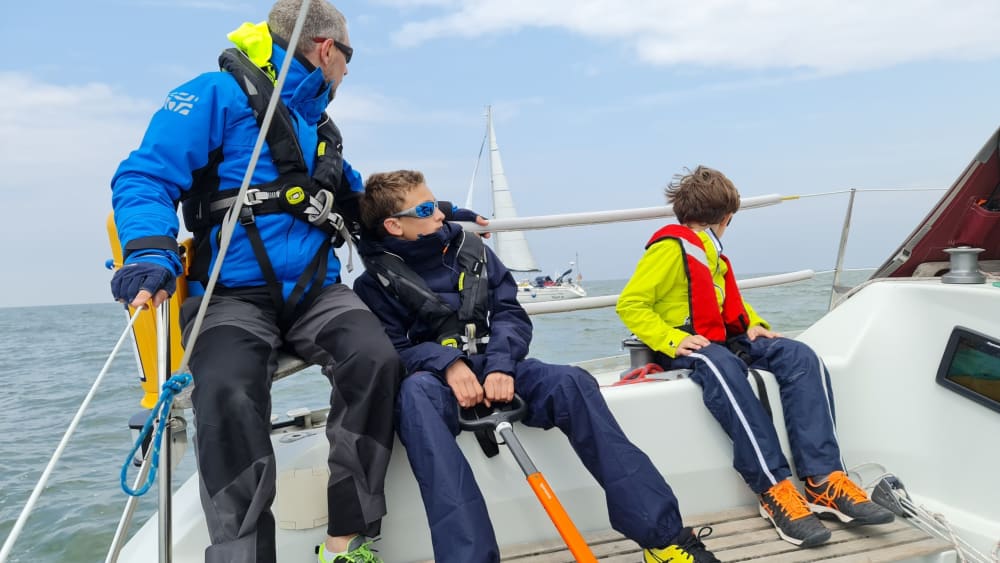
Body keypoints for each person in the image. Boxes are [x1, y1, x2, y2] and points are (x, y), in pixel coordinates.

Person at [110, 2, 402, 561]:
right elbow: (144, 174)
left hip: (315, 292)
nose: (347, 71)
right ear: (326, 50)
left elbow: (360, 195)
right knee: (226, 391)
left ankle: (348, 538)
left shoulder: (318, 126)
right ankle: (242, 554)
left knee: (375, 359)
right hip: (229, 298)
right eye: (348, 58)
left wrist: (434, 213)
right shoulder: (214, 95)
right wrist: (150, 248)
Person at [352, 170, 722, 563]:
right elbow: (391, 349)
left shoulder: (473, 250)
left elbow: (510, 313)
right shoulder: (372, 285)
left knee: (571, 382)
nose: (441, 214)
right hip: (435, 382)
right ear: (394, 225)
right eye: (427, 209)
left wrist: (500, 366)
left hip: (499, 365)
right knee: (413, 399)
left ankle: (662, 537)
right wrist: (448, 364)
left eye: (437, 203)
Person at [616, 166, 895, 548]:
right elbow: (632, 304)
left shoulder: (710, 251)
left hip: (727, 337)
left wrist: (756, 324)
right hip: (687, 347)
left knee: (800, 356)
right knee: (722, 366)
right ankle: (774, 489)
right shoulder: (669, 249)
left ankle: (823, 479)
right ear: (728, 217)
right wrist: (670, 340)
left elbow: (726, 302)